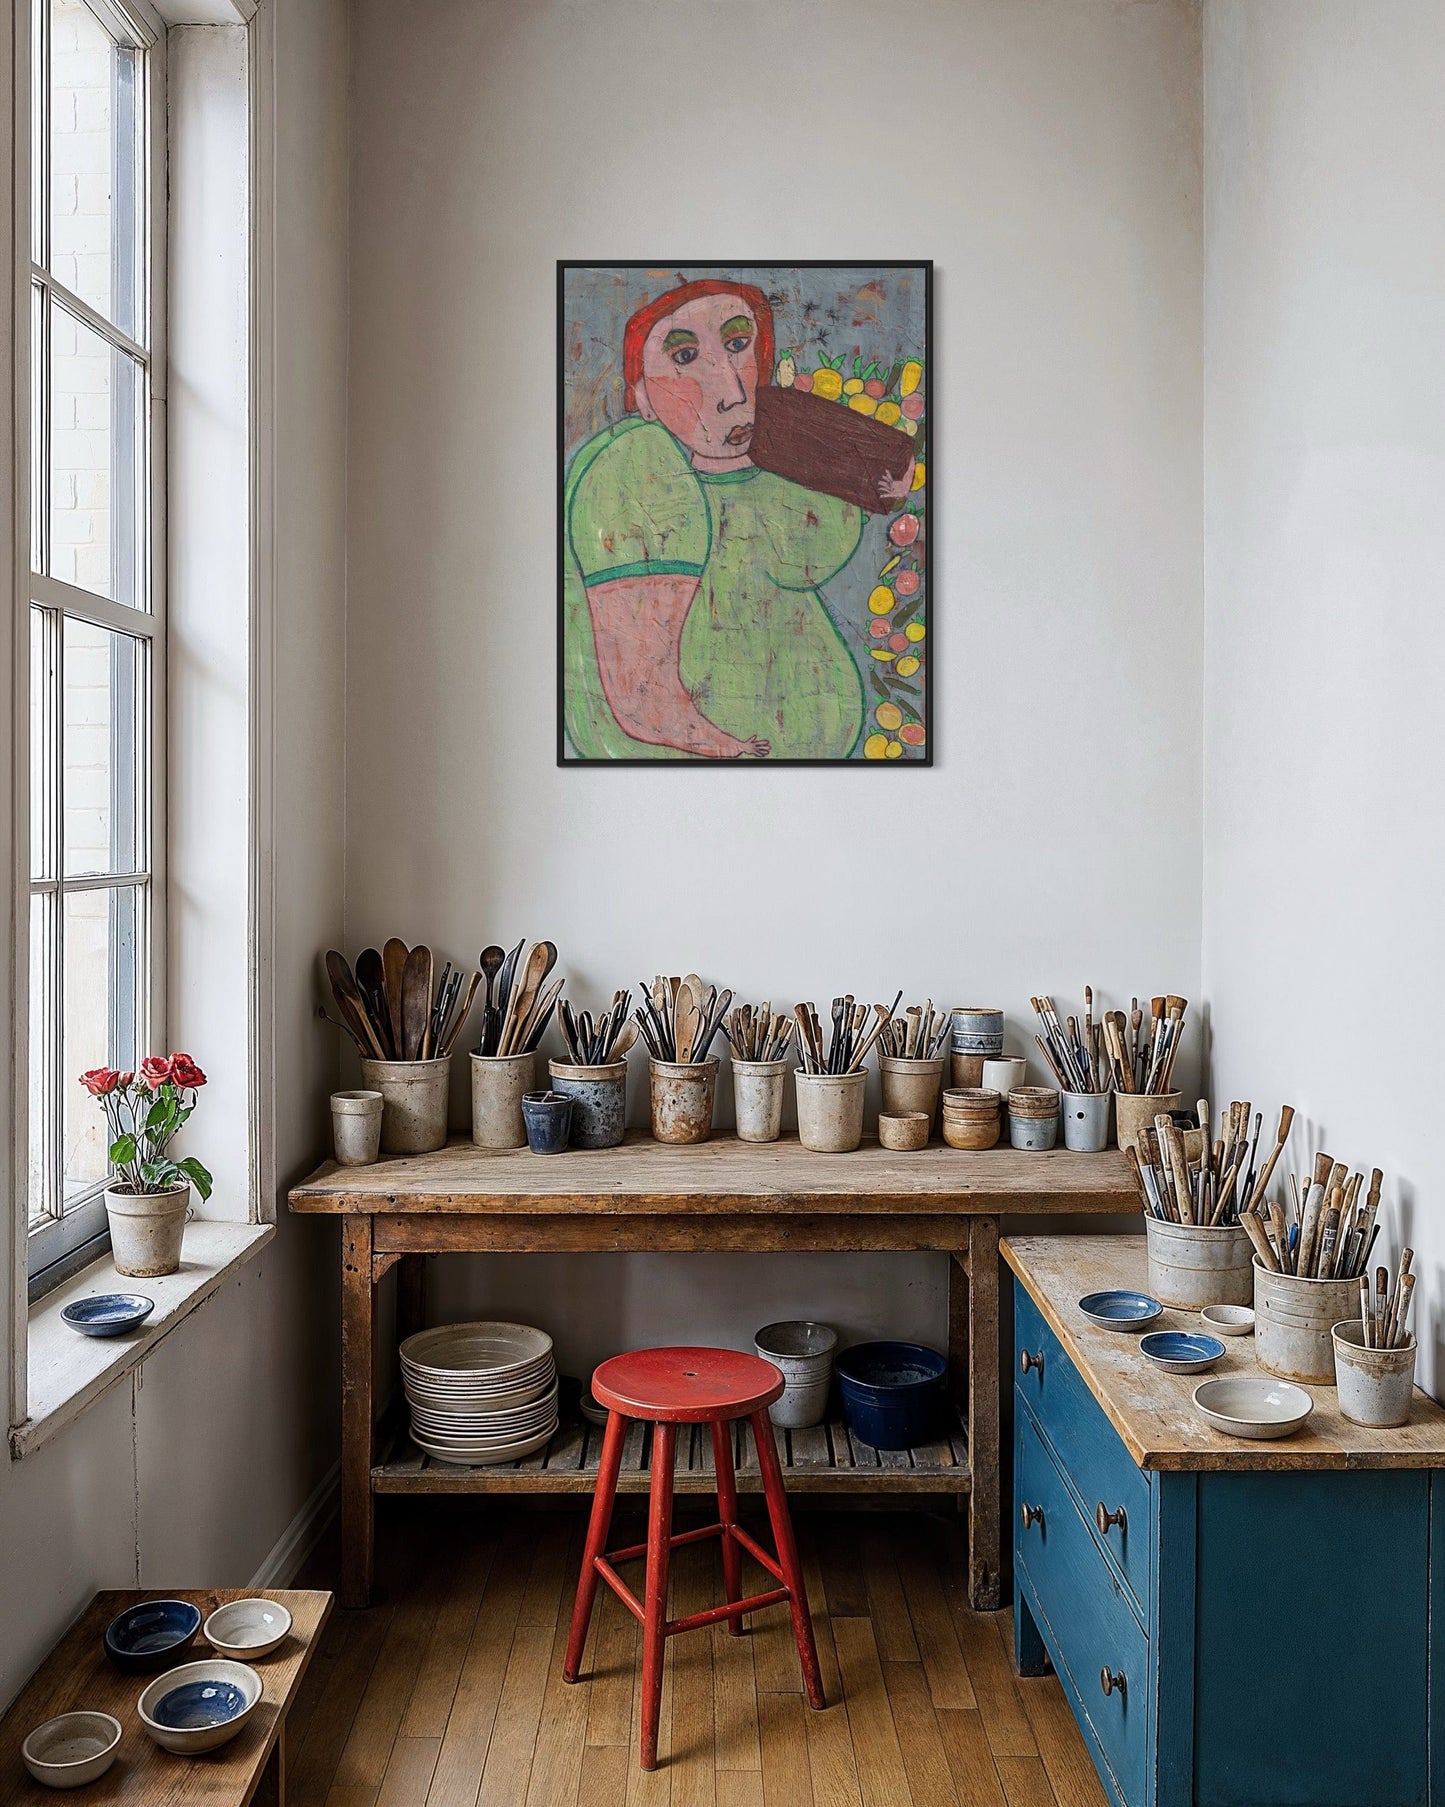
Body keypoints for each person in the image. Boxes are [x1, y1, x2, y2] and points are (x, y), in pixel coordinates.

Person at [563, 278, 911, 760]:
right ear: (640, 396)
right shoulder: (633, 466)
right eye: (684, 358)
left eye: (738, 345)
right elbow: (642, 696)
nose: (730, 390)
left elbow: (816, 555)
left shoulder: (782, 457)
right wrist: (730, 748)